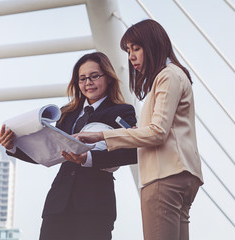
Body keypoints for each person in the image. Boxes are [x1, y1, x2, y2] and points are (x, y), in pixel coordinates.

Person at [76, 19, 204, 240]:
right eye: (128, 51)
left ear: (153, 45)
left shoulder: (167, 75)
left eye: (136, 48)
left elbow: (157, 132)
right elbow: (164, 129)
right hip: (183, 173)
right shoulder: (176, 75)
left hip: (163, 175)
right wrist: (138, 131)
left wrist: (102, 135)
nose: (131, 56)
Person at [0, 52, 137, 240]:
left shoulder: (122, 112)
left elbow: (131, 152)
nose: (88, 82)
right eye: (82, 78)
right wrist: (13, 147)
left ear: (109, 78)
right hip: (58, 205)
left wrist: (88, 158)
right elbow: (49, 153)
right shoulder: (67, 114)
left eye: (94, 76)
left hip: (95, 205)